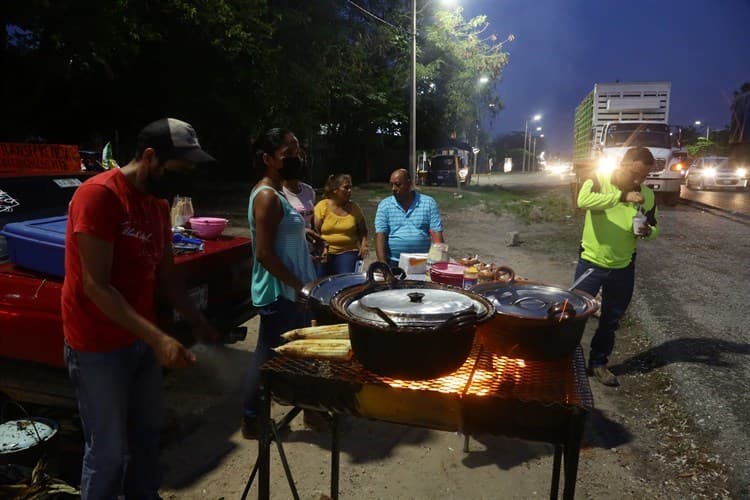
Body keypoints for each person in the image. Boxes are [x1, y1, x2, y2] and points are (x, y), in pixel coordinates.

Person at [62, 117, 219, 499]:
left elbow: (166, 274)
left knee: (146, 442)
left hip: (140, 343)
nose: (187, 176)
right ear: (150, 157)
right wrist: (159, 339)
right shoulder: (99, 195)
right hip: (97, 345)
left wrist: (198, 321)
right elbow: (96, 286)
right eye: (181, 167)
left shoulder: (155, 205)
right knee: (109, 452)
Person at [242, 128, 326, 438]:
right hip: (280, 292)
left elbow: (282, 236)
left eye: (299, 151)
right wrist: (299, 286)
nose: (298, 158)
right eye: (288, 154)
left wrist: (307, 237)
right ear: (267, 159)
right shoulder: (265, 196)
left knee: (300, 352)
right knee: (267, 357)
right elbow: (264, 254)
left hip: (295, 290)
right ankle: (252, 419)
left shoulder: (278, 193)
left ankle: (310, 411)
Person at [573, 146, 660, 387]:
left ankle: (599, 364)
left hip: (623, 266)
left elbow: (655, 226)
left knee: (611, 319)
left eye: (644, 176)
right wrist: (621, 197)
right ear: (623, 164)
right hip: (591, 262)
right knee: (574, 314)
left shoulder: (647, 196)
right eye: (635, 173)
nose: (639, 180)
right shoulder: (600, 179)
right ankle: (566, 360)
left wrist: (648, 232)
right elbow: (583, 200)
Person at [374, 168, 444, 266]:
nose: (393, 188)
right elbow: (380, 235)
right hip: (394, 262)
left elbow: (437, 234)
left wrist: (437, 263)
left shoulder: (428, 203)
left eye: (398, 185)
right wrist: (383, 265)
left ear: (409, 183)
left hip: (422, 262)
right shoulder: (385, 205)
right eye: (391, 185)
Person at [313, 174, 368, 276]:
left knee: (346, 280)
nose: (349, 191)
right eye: (346, 188)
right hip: (326, 250)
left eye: (350, 187)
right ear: (335, 190)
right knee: (321, 281)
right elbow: (315, 230)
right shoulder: (322, 206)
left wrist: (364, 245)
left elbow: (363, 230)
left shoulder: (354, 208)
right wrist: (322, 247)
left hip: (348, 250)